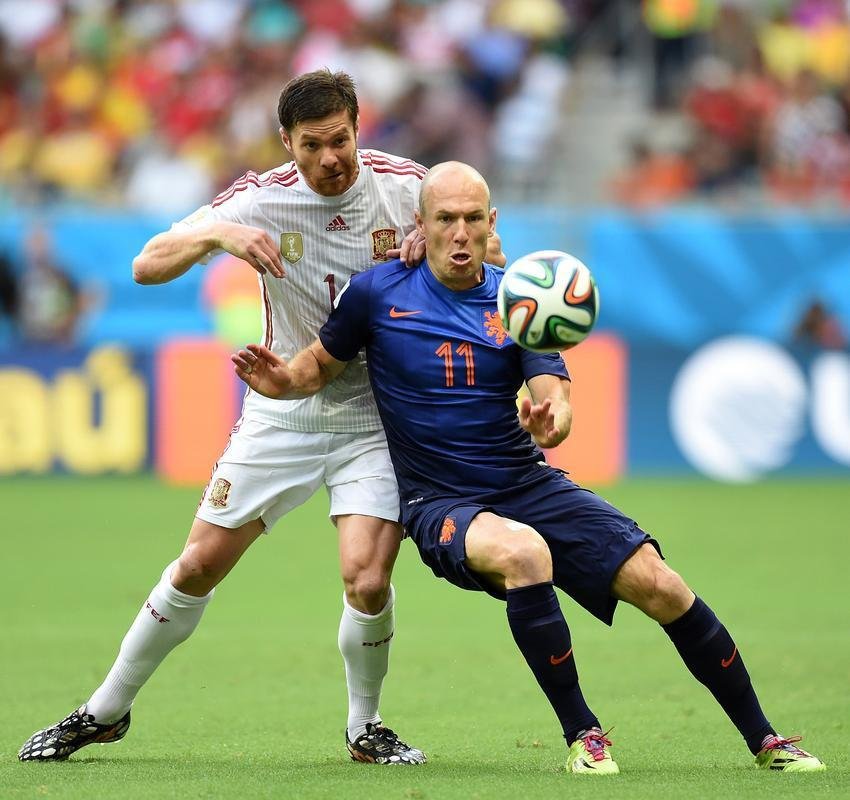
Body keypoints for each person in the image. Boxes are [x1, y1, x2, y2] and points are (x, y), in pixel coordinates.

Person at [230, 161, 826, 775]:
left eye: (470, 219)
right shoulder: (377, 293)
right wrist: (280, 381)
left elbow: (554, 396)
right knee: (525, 554)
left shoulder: (519, 298)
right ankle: (585, 735)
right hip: (440, 503)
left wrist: (551, 419)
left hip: (525, 481)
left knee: (662, 584)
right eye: (444, 220)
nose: (458, 233)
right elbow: (317, 367)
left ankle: (767, 740)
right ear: (421, 224)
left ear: (492, 224)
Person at [18, 70, 504, 766]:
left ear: (359, 129)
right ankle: (104, 711)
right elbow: (144, 266)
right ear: (287, 143)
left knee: (367, 579)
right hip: (285, 411)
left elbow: (492, 256)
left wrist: (443, 256)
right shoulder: (256, 200)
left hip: (376, 415)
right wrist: (219, 236)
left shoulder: (410, 189)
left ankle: (365, 727)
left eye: (341, 140)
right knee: (195, 568)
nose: (331, 158)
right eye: (313, 145)